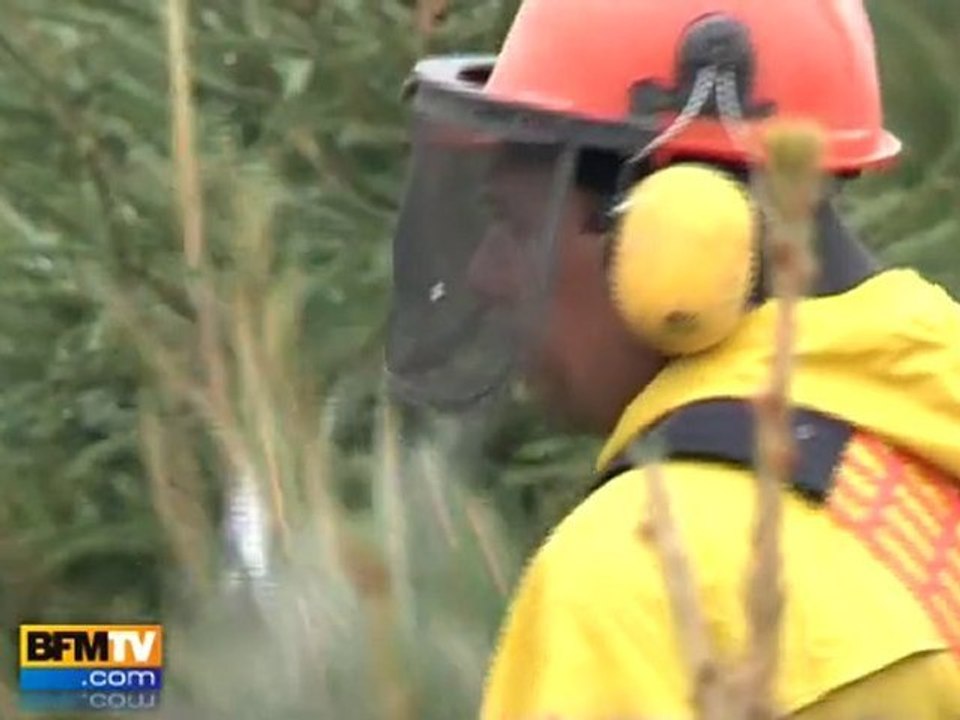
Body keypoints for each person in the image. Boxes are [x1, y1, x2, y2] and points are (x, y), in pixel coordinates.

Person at [385, 1, 960, 717]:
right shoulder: (929, 478)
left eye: (514, 225)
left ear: (673, 228)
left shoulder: (642, 574)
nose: (485, 273)